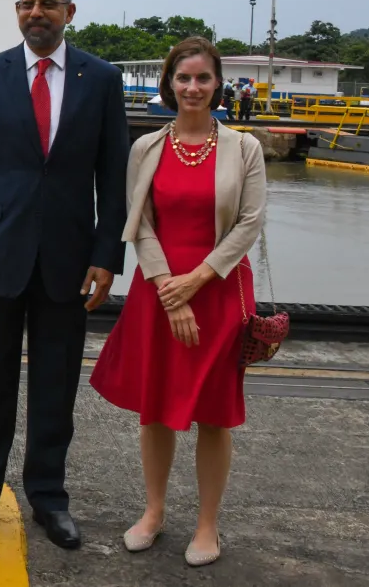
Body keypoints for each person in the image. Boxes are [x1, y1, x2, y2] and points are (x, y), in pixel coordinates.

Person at [0, 0, 130, 549]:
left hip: (69, 262)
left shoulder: (100, 79)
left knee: (55, 385)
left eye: (48, 4)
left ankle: (49, 497)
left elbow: (114, 176)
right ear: (17, 11)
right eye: (26, 4)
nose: (35, 13)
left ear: (69, 14)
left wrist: (107, 255)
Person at [90, 37, 265, 568]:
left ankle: (208, 525)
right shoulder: (146, 147)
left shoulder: (244, 147)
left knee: (214, 412)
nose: (193, 88)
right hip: (159, 286)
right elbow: (137, 222)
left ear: (217, 85)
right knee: (156, 408)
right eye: (183, 78)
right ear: (169, 83)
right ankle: (154, 510)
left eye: (203, 79)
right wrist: (172, 289)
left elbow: (250, 222)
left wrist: (197, 281)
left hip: (219, 289)